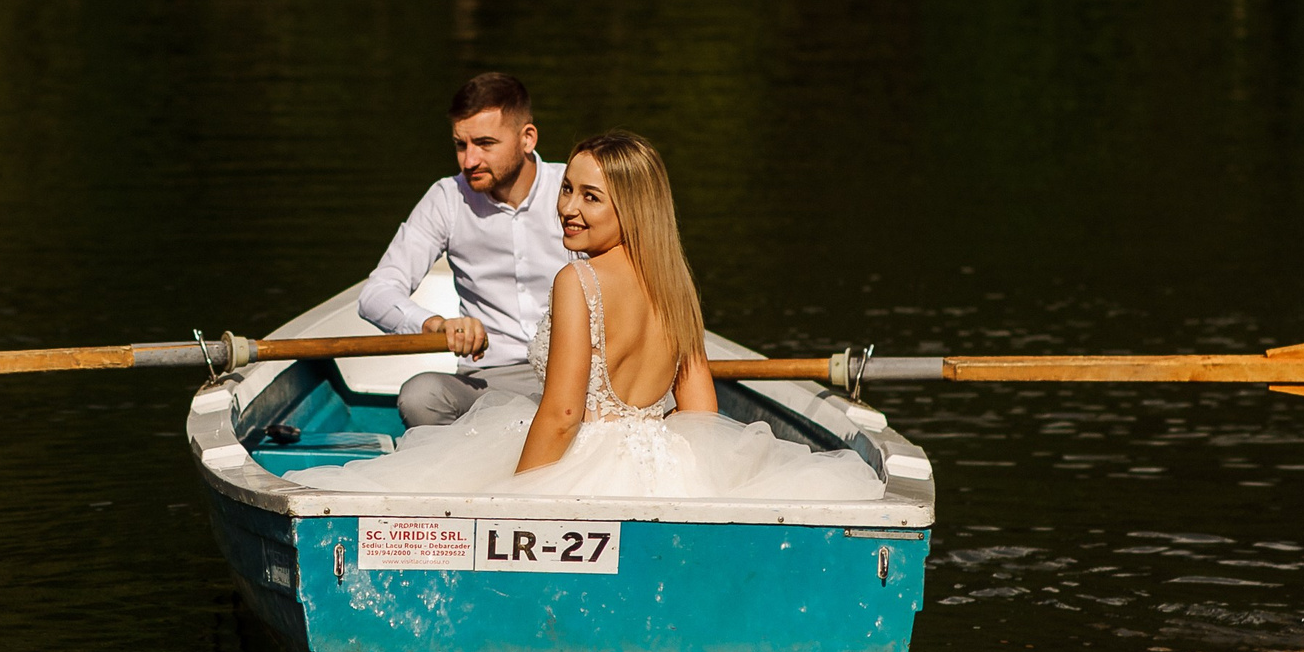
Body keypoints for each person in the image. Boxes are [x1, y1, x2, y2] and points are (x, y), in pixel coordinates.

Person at [309, 131, 883, 500]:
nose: (567, 209)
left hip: (584, 461)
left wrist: (513, 501)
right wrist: (701, 482)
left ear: (629, 206)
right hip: (663, 461)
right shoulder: (675, 281)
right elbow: (701, 408)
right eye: (566, 190)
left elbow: (560, 415)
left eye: (590, 197)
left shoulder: (577, 280)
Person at [359, 73, 573, 429]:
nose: (469, 160)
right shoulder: (446, 198)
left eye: (485, 143)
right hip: (489, 377)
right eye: (461, 145)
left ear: (527, 138)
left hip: (575, 370)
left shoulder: (573, 190)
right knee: (420, 395)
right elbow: (376, 294)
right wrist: (437, 324)